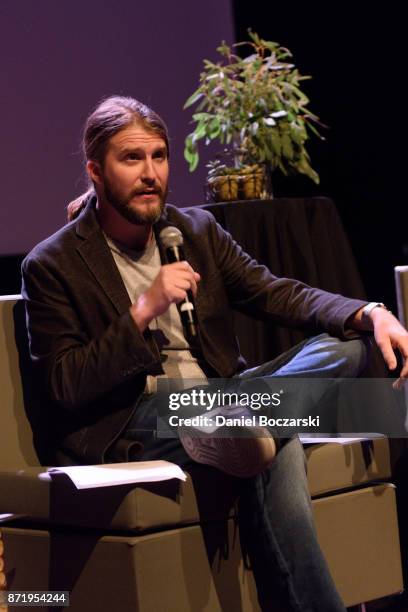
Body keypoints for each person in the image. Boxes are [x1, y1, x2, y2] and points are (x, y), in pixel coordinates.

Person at [21, 95, 408, 611]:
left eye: (159, 156)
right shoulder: (52, 263)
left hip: (226, 398)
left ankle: (247, 419)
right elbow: (65, 384)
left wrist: (371, 312)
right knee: (279, 446)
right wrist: (142, 311)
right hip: (139, 415)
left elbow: (277, 292)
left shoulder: (195, 231)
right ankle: (251, 423)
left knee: (346, 347)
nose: (151, 173)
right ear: (95, 169)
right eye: (132, 158)